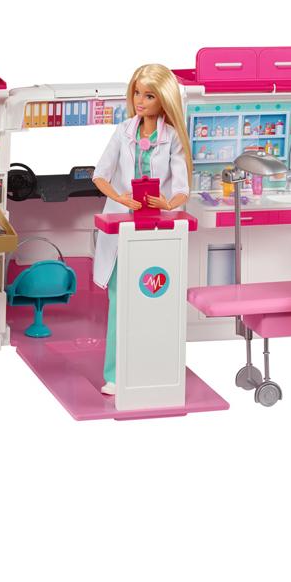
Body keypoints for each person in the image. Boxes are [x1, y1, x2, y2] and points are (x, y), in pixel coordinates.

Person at [92, 64, 192, 396]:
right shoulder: (123, 131)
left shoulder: (172, 137)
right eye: (137, 93)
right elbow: (100, 174)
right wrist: (120, 197)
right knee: (120, 299)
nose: (140, 100)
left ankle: (153, 368)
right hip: (123, 226)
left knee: (156, 299)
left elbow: (182, 188)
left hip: (157, 229)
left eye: (149, 95)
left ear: (163, 100)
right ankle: (115, 373)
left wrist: (167, 203)